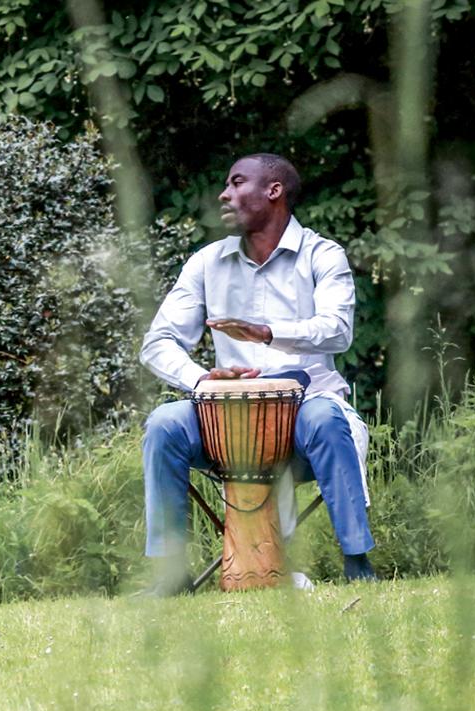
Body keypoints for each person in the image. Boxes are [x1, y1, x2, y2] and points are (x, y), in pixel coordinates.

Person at [138, 153, 378, 593]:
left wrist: (267, 333)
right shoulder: (206, 262)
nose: (223, 194)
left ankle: (357, 562)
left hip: (306, 412)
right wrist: (201, 380)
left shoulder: (323, 255)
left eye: (236, 182)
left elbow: (339, 331)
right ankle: (170, 573)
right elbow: (157, 343)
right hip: (226, 418)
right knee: (164, 425)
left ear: (274, 191)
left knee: (327, 418)